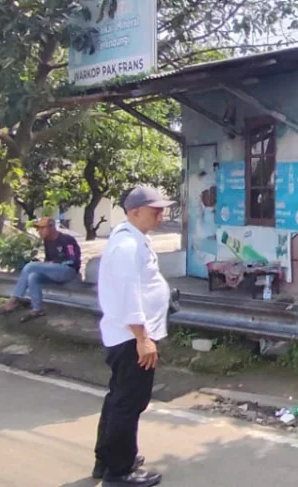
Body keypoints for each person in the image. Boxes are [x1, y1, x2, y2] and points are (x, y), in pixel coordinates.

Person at [93, 186, 174, 487]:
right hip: (132, 339)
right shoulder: (127, 246)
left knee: (118, 399)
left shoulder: (134, 240)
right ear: (135, 211)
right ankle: (120, 470)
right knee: (129, 403)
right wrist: (143, 339)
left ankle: (108, 458)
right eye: (155, 210)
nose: (161, 215)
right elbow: (127, 295)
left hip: (127, 336)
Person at [0, 217, 82, 322]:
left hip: (68, 271)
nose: (39, 231)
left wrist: (55, 263)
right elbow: (48, 260)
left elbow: (74, 260)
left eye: (42, 228)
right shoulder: (47, 241)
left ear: (51, 227)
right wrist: (48, 265)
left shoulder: (67, 239)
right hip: (55, 273)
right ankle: (37, 309)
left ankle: (15, 299)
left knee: (30, 266)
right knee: (33, 277)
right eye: (38, 228)